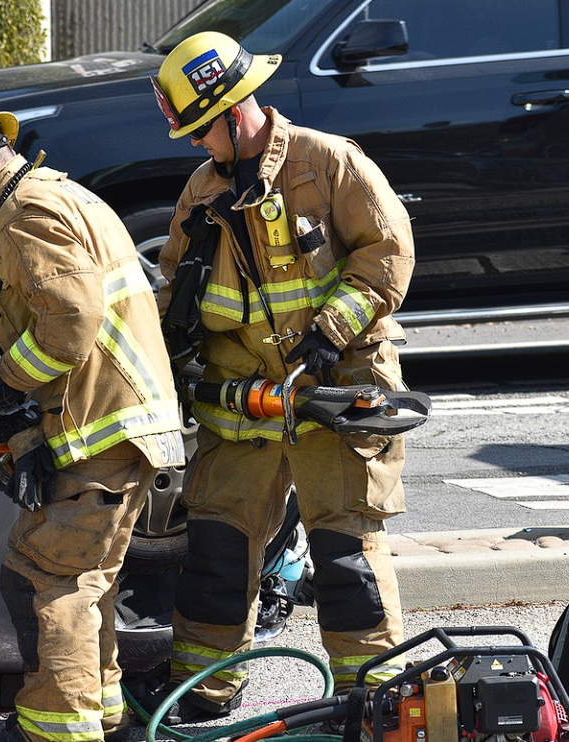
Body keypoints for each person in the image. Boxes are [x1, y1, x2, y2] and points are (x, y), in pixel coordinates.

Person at [147, 32, 417, 723]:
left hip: (336, 395)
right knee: (214, 554)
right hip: (243, 409)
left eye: (199, 129)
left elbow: (387, 256)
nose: (193, 146)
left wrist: (330, 334)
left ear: (234, 114)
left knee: (344, 558)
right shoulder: (203, 191)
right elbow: (176, 285)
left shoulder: (327, 163)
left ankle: (370, 699)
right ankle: (202, 696)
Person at [0, 98, 185, 742]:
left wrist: (3, 382)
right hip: (111, 424)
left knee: (50, 579)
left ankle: (55, 730)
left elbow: (69, 324)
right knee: (82, 580)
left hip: (107, 428)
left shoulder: (25, 213)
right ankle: (107, 717)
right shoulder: (56, 194)